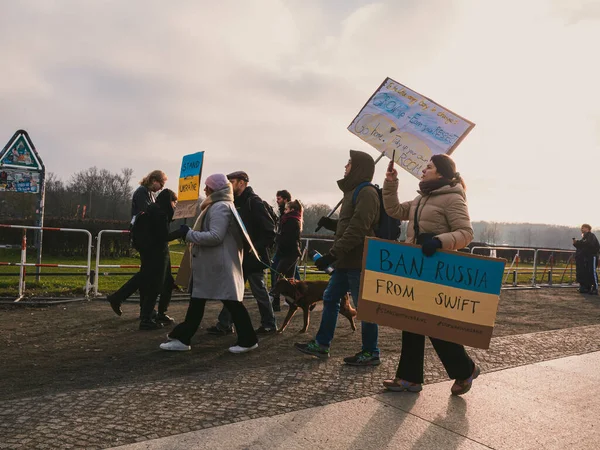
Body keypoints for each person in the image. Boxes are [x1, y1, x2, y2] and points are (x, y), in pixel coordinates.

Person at [381, 153, 479, 396]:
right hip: (416, 268)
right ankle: (410, 379)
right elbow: (393, 209)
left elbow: (466, 233)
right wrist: (391, 181)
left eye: (429, 167)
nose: (423, 170)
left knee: (437, 327)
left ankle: (466, 370)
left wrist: (438, 241)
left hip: (436, 269)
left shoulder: (453, 198)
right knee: (410, 322)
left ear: (442, 173)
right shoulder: (421, 197)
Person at [294, 150, 381, 366]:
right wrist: (331, 224)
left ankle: (371, 352)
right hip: (345, 262)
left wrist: (332, 254)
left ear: (359, 167)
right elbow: (350, 224)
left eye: (350, 163)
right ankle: (322, 344)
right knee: (331, 298)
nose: (345, 166)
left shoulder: (366, 192)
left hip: (358, 261)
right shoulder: (352, 192)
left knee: (364, 307)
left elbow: (359, 228)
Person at [159, 174, 258, 353]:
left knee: (225, 303)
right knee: (210, 302)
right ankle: (182, 335)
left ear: (214, 189)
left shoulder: (219, 207)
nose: (204, 190)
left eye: (207, 187)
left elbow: (215, 236)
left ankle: (247, 339)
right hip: (216, 265)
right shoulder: (222, 205)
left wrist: (189, 234)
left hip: (216, 266)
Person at [207, 171, 278, 335]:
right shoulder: (233, 202)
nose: (228, 185)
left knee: (259, 291)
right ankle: (224, 324)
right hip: (238, 256)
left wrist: (254, 249)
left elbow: (270, 231)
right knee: (232, 290)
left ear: (242, 183)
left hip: (254, 257)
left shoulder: (254, 202)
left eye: (231, 181)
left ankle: (269, 323)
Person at [108, 170, 176, 323]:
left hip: (148, 240)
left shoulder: (149, 194)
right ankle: (125, 300)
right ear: (153, 180)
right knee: (148, 274)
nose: (161, 187)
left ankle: (143, 308)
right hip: (147, 241)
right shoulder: (142, 193)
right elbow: (151, 213)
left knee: (148, 275)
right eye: (161, 183)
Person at [137, 188, 183, 330]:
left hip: (151, 251)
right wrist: (181, 232)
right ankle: (147, 317)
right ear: (169, 201)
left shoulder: (153, 210)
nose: (175, 205)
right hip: (158, 253)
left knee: (165, 281)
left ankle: (154, 314)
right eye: (174, 202)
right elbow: (164, 236)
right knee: (156, 285)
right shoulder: (161, 214)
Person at [273, 200, 303, 283]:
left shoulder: (290, 221)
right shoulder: (294, 220)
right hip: (292, 252)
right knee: (290, 277)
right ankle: (291, 294)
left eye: (286, 209)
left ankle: (276, 294)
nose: (284, 211)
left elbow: (287, 237)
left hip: (289, 253)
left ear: (292, 210)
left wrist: (277, 237)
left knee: (279, 274)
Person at [573, 224, 600, 295]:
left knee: (592, 271)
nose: (582, 229)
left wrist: (579, 242)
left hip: (592, 256)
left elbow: (588, 243)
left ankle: (595, 288)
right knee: (587, 272)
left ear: (588, 229)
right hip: (586, 257)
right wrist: (576, 244)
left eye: (583, 228)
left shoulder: (591, 236)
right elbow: (582, 246)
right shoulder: (584, 238)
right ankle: (587, 287)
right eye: (581, 228)